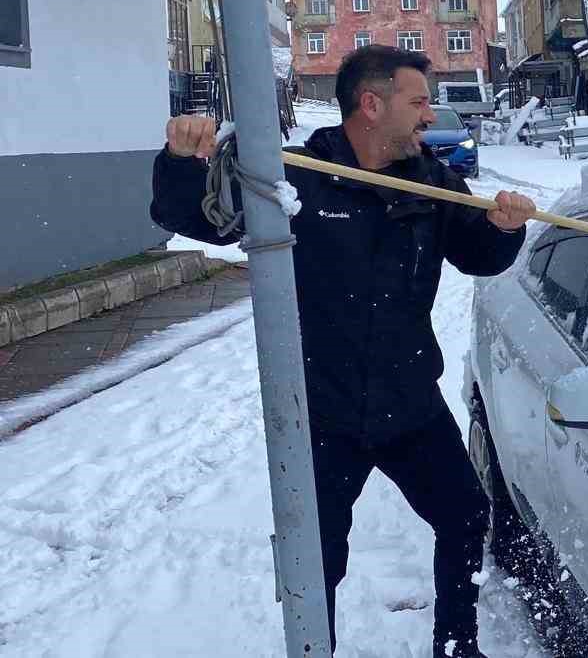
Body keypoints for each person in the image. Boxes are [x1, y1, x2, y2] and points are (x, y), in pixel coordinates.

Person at [151, 46, 537, 657]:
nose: (428, 115)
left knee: (465, 517)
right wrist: (179, 159)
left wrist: (503, 228)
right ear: (371, 104)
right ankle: (314, 649)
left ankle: (457, 646)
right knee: (317, 555)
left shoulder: (433, 180)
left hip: (409, 402)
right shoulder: (294, 177)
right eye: (418, 102)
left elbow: (477, 257)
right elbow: (198, 217)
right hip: (321, 411)